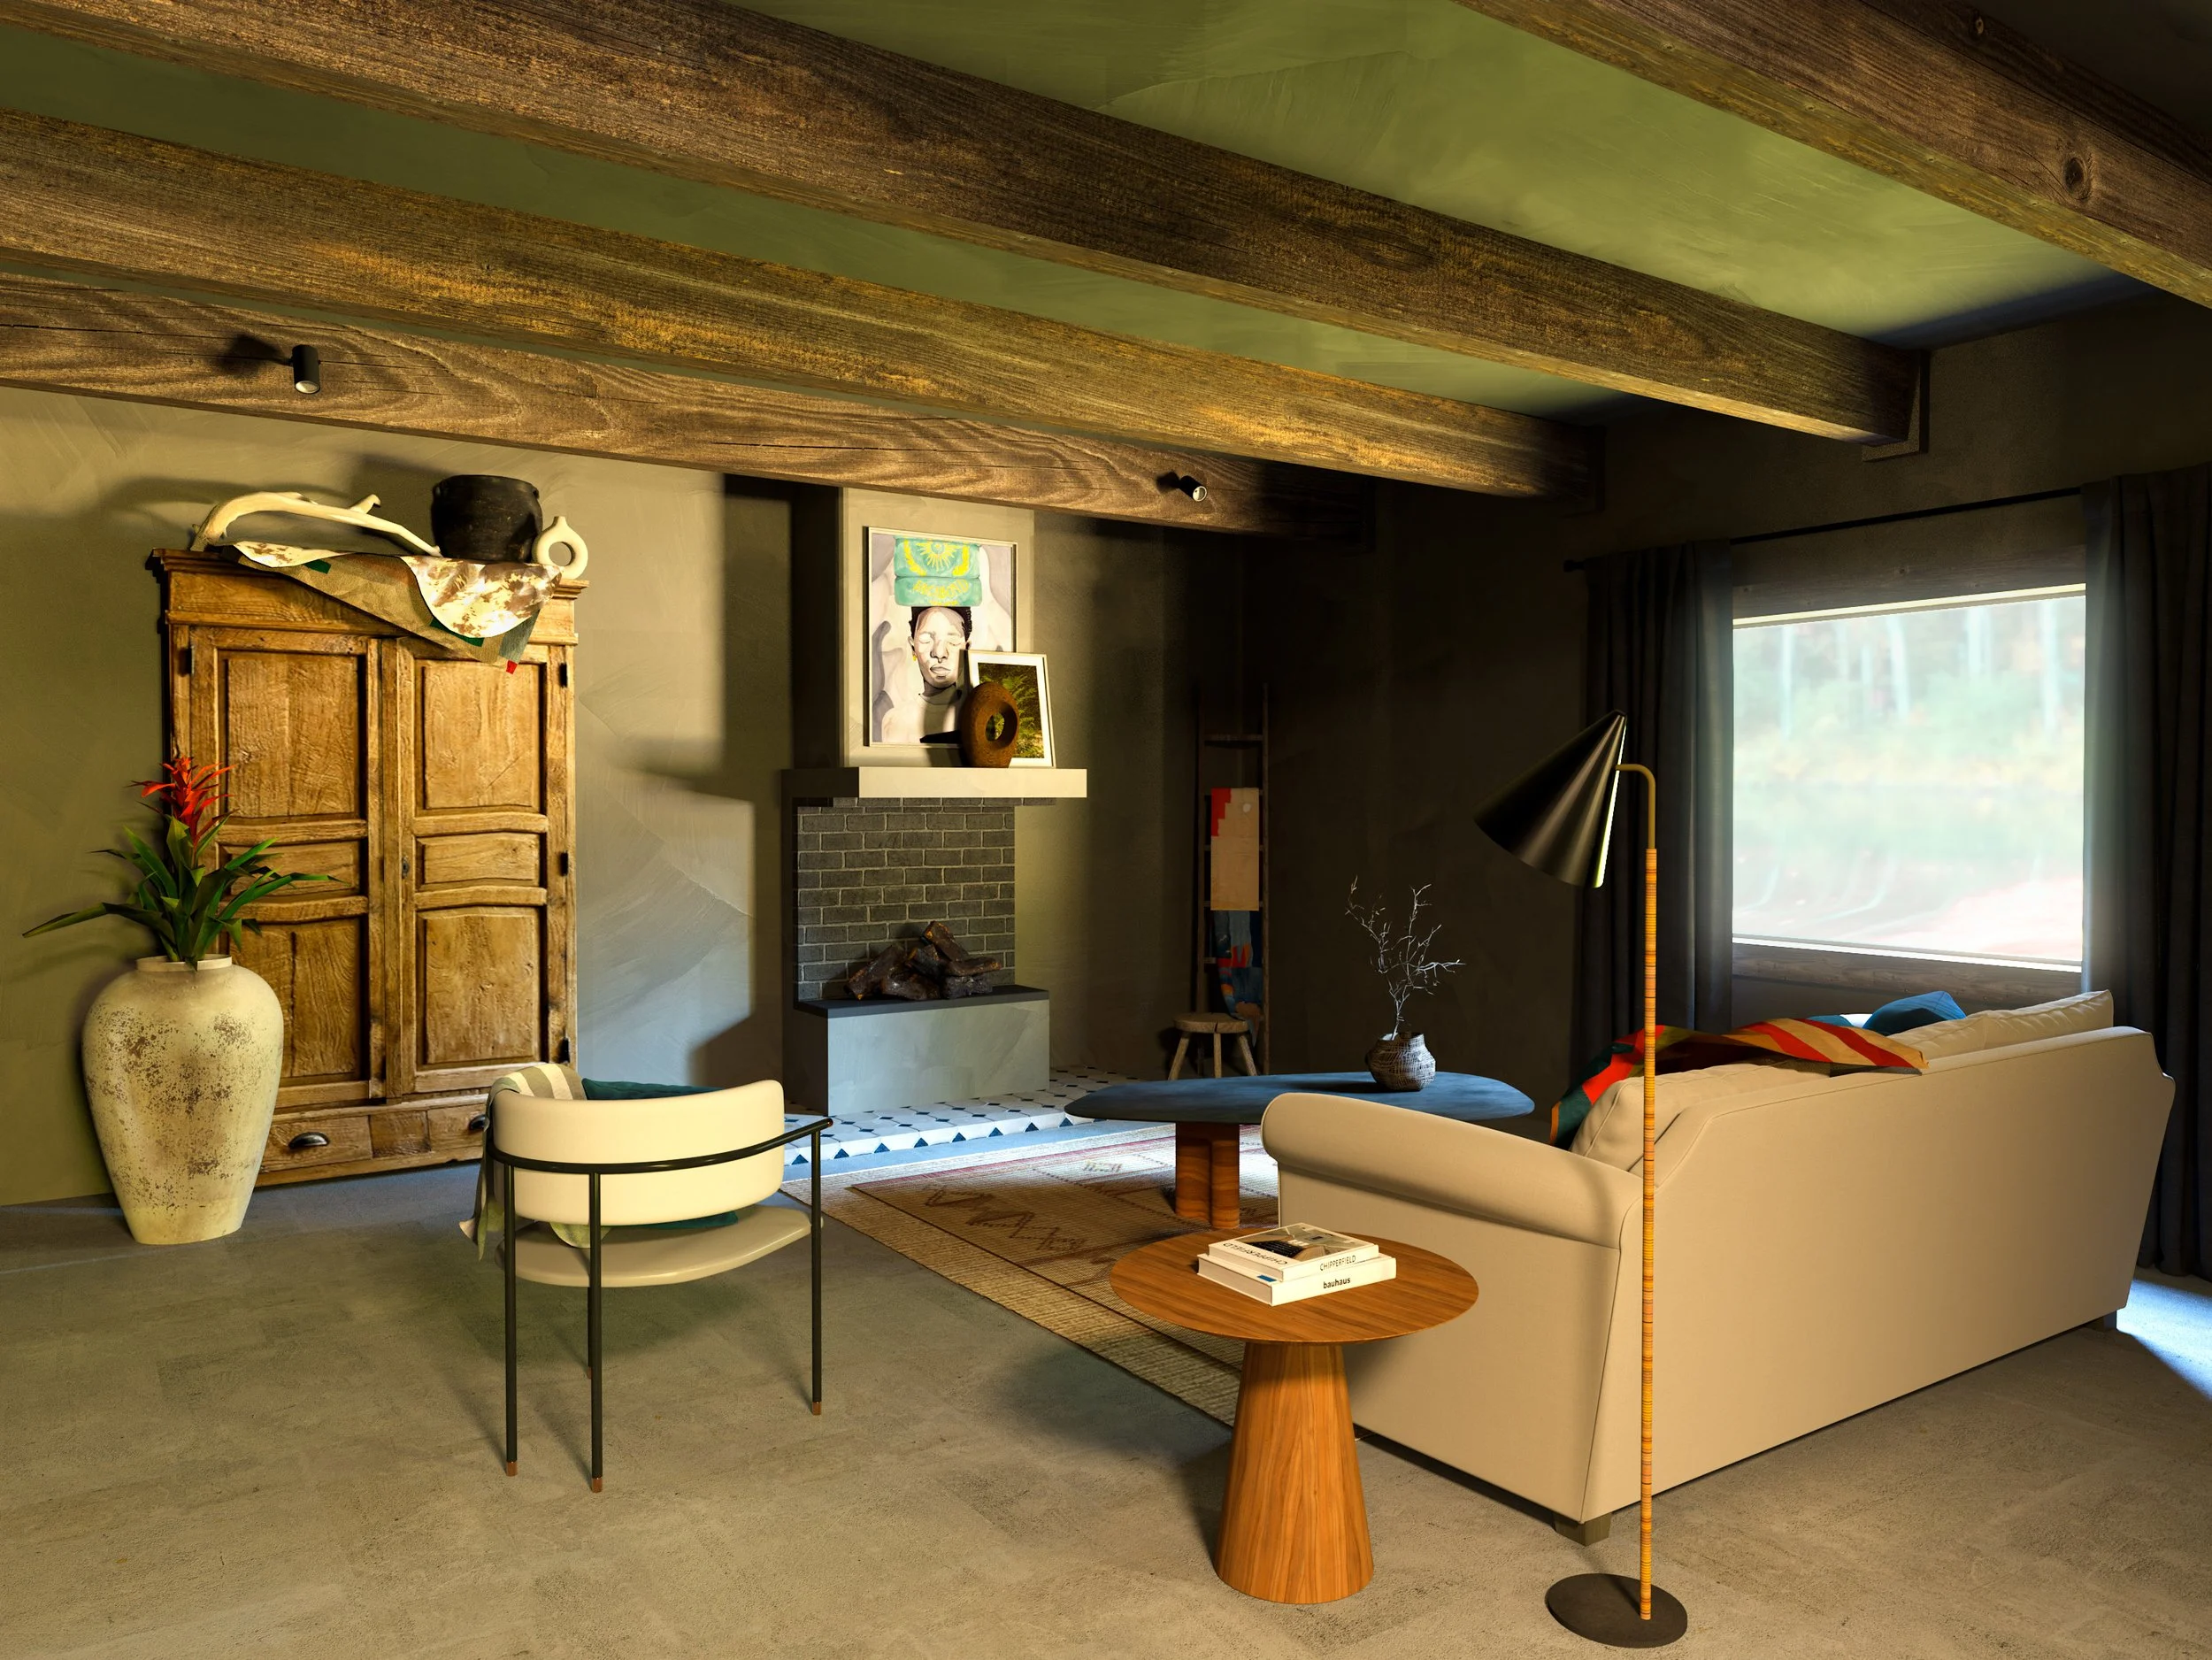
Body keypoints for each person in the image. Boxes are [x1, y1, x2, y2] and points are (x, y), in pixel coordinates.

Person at [874, 603, 972, 743]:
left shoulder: (978, 715)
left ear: (967, 649)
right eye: (926, 640)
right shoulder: (896, 721)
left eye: (953, 641)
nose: (939, 653)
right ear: (913, 647)